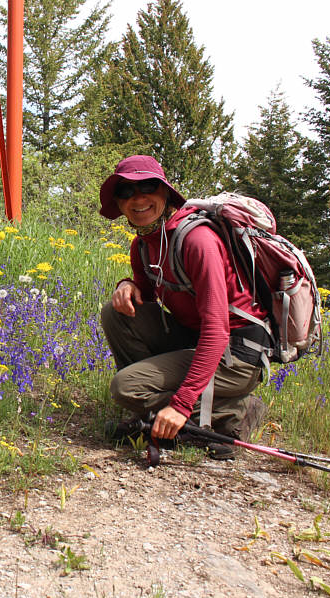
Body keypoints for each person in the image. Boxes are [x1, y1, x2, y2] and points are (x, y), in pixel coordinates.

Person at [98, 155, 268, 459]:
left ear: (165, 193)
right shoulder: (142, 245)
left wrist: (181, 403)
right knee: (115, 313)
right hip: (194, 338)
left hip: (238, 355)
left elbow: (217, 330)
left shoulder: (197, 241)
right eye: (125, 191)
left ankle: (232, 412)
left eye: (148, 186)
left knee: (126, 387)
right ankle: (158, 414)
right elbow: (146, 298)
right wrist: (128, 284)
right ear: (119, 203)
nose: (137, 199)